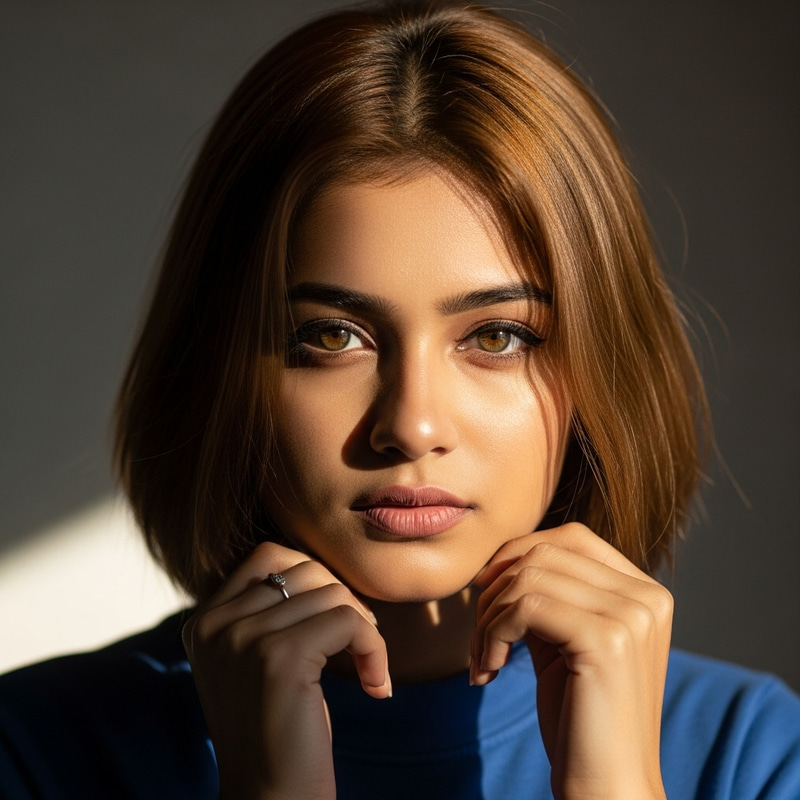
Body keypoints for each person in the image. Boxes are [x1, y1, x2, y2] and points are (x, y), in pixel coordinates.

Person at [1, 2, 798, 798]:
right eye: (333, 337)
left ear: (604, 368)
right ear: (219, 370)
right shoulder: (33, 755)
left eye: (497, 337)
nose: (412, 427)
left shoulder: (755, 758)